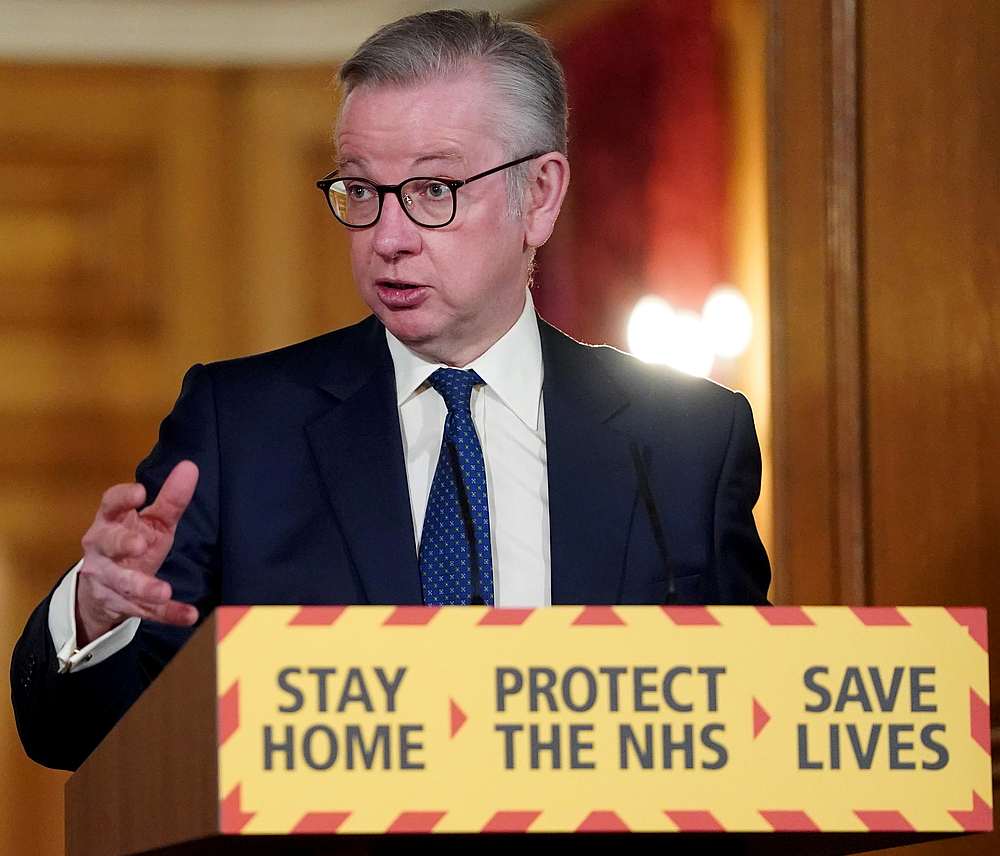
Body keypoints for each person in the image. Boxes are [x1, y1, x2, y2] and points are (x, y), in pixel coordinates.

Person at [11, 10, 770, 772]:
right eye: (361, 190)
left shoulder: (685, 442)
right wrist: (94, 612)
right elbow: (71, 735)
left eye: (434, 189)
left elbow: (752, 734)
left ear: (539, 196)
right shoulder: (240, 432)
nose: (388, 237)